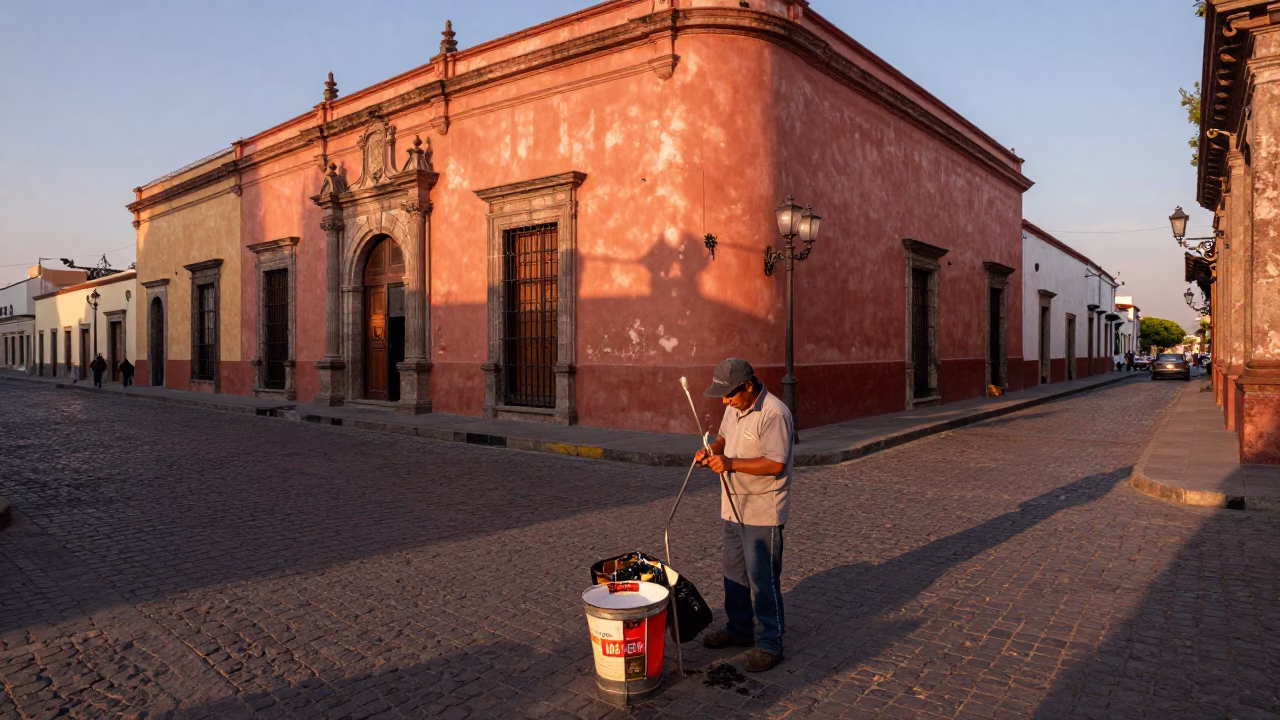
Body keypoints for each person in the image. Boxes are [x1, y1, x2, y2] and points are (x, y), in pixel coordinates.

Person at [693, 357, 794, 673]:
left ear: (749, 386)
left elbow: (776, 463)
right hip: (732, 505)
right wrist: (712, 449)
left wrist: (731, 463)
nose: (725, 401)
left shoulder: (774, 413)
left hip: (762, 511)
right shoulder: (734, 408)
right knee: (733, 573)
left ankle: (770, 643)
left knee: (762, 579)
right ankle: (739, 629)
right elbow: (724, 439)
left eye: (730, 394)